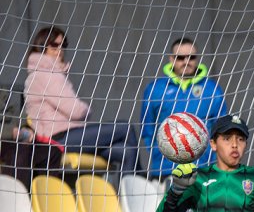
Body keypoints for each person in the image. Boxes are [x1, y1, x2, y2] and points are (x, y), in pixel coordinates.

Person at [24, 26, 140, 177]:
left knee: (127, 153)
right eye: (54, 45)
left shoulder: (41, 74)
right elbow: (75, 110)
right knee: (125, 127)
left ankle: (129, 194)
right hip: (59, 138)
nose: (60, 50)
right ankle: (142, 186)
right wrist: (86, 109)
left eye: (63, 45)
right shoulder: (46, 74)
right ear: (41, 47)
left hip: (68, 136)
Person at [140, 37, 228, 178]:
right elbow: (147, 129)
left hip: (203, 169)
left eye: (191, 57)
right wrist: (161, 152)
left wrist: (209, 156)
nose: (186, 62)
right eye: (180, 58)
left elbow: (221, 129)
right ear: (171, 59)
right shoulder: (155, 89)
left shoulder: (212, 89)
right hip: (166, 170)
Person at [1, 88, 63, 188]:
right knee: (22, 148)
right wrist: (10, 132)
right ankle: (13, 196)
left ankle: (43, 198)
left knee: (52, 152)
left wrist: (25, 127)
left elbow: (16, 115)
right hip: (5, 136)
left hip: (14, 137)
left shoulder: (2, 92)